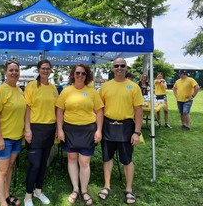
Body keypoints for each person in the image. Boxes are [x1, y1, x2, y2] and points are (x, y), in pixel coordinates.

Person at [56, 64, 104, 205]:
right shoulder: (66, 91)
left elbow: (100, 111)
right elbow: (59, 111)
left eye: (83, 73)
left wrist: (99, 130)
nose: (80, 75)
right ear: (73, 74)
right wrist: (60, 129)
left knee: (84, 162)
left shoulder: (92, 92)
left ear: (86, 75)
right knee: (71, 159)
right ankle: (75, 189)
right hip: (69, 130)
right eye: (78, 72)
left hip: (88, 130)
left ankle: (84, 190)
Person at [98, 58, 143, 204]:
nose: (119, 68)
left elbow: (138, 111)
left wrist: (137, 132)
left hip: (126, 127)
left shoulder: (134, 87)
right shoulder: (105, 87)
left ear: (126, 67)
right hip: (108, 125)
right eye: (116, 66)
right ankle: (106, 186)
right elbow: (99, 109)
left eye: (122, 66)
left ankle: (129, 190)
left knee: (127, 159)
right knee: (107, 158)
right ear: (112, 68)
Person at [0, 60, 26, 206]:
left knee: (10, 166)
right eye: (11, 70)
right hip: (3, 138)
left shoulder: (19, 90)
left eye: (16, 70)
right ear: (6, 72)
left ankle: (7, 194)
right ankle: (3, 202)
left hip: (17, 137)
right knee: (2, 171)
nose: (14, 72)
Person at [24, 60, 59, 206]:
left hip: (49, 128)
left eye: (48, 68)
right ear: (38, 70)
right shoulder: (32, 86)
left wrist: (57, 127)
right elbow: (26, 108)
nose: (45, 71)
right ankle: (28, 196)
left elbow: (57, 109)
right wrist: (27, 129)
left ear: (51, 71)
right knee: (35, 164)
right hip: (35, 128)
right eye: (43, 68)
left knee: (43, 163)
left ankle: (38, 191)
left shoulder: (53, 88)